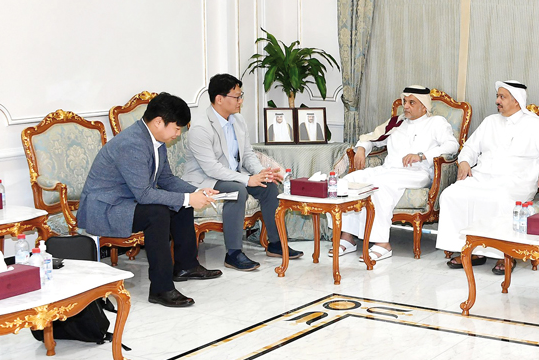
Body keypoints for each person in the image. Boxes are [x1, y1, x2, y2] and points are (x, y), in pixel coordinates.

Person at [78, 93, 222, 308]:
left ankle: (186, 266)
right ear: (158, 122)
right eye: (177, 127)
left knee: (180, 203)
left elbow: (167, 180)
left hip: (127, 202)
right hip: (106, 208)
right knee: (158, 212)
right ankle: (161, 288)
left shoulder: (156, 140)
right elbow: (144, 194)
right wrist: (188, 198)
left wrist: (198, 192)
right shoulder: (132, 144)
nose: (178, 133)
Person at [436, 80, 539, 275]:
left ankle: (505, 254)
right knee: (451, 194)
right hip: (483, 177)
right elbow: (470, 147)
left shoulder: (534, 124)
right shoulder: (490, 122)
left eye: (502, 97)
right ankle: (470, 250)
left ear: (516, 100)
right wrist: (464, 162)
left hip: (516, 181)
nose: (497, 101)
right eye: (497, 96)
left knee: (499, 200)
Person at [183, 74, 303, 271]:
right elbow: (211, 168)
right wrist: (248, 179)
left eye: (241, 96)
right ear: (219, 99)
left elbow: (247, 155)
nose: (240, 101)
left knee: (269, 186)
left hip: (233, 175)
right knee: (238, 190)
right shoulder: (201, 127)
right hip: (206, 179)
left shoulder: (238, 120)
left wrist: (262, 174)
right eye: (237, 97)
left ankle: (275, 243)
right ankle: (233, 254)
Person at [330, 85, 459, 261]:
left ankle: (382, 243)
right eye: (405, 101)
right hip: (388, 170)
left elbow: (452, 145)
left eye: (411, 103)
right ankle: (347, 237)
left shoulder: (436, 123)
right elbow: (371, 138)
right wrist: (361, 149)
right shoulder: (396, 123)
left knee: (379, 187)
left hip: (416, 173)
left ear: (424, 106)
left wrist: (422, 156)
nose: (405, 106)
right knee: (349, 180)